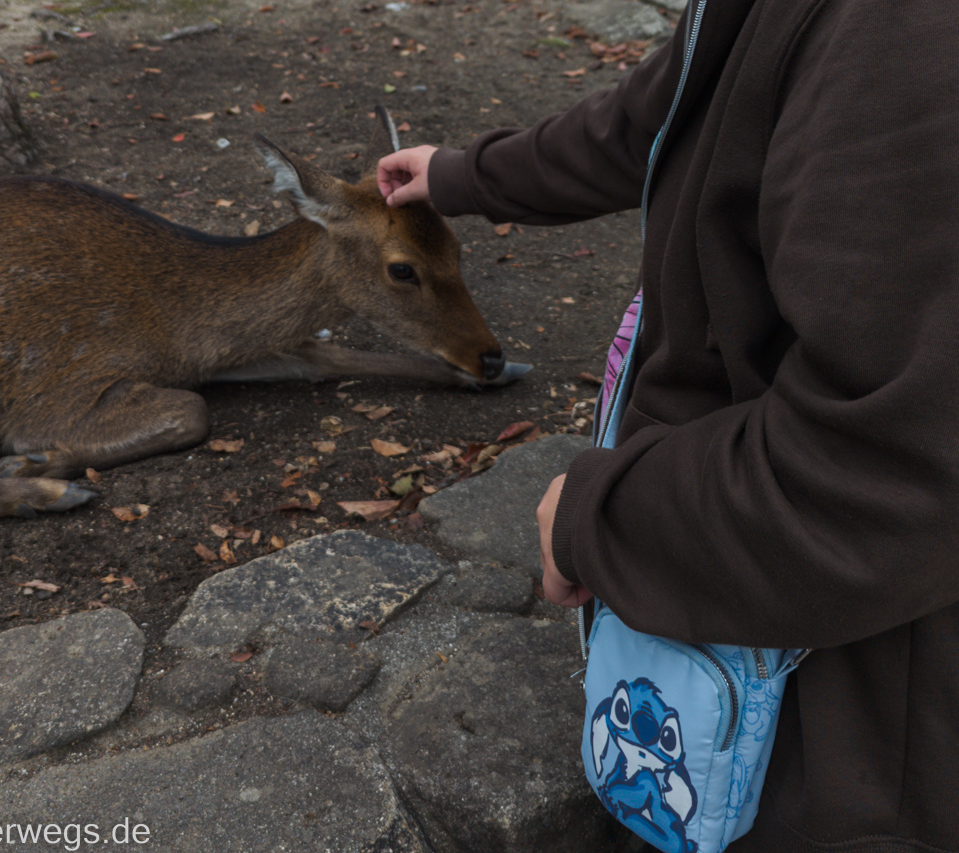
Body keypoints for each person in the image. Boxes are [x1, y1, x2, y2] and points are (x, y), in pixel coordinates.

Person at [376, 1, 959, 851]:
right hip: (737, 604)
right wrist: (466, 175)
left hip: (849, 726)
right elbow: (662, 110)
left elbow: (884, 471)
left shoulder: (906, 37)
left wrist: (595, 518)